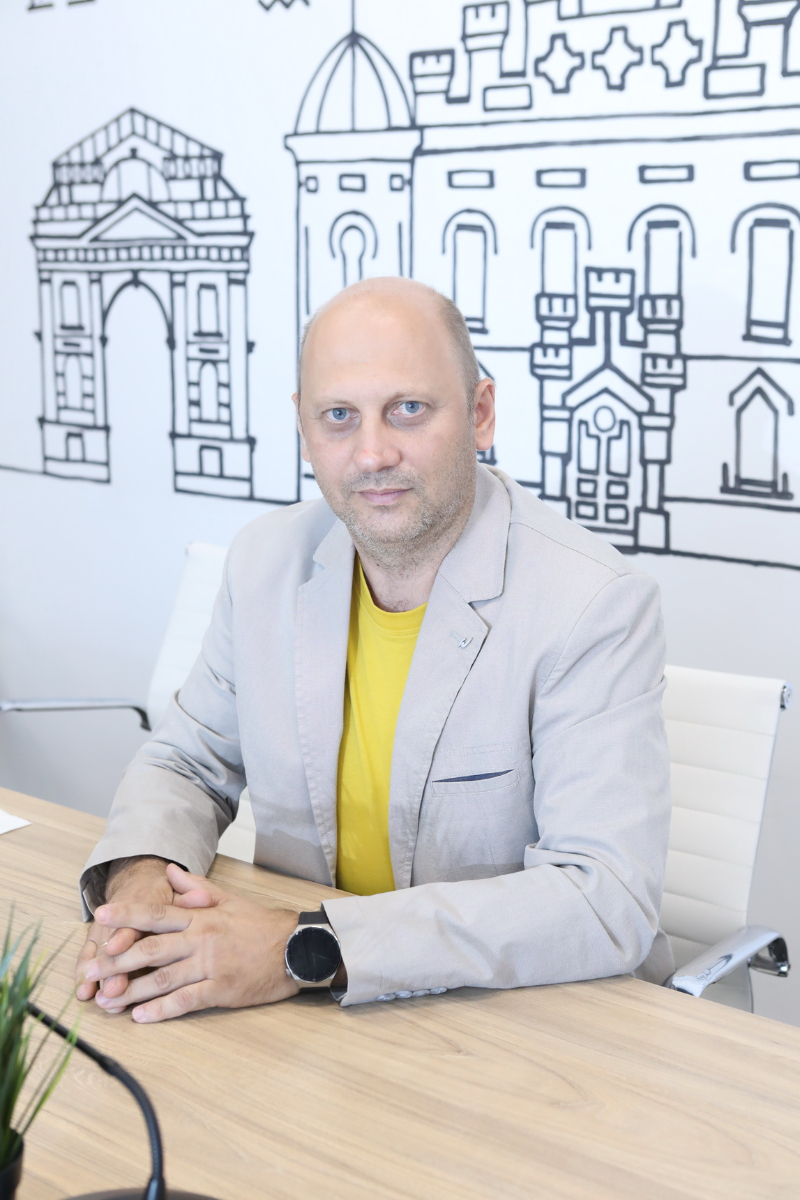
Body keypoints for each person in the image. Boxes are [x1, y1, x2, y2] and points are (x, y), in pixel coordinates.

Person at [75, 277, 672, 1023]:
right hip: (313, 1024)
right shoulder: (264, 562)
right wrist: (139, 891)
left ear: (481, 414)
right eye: (339, 416)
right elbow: (185, 764)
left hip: (524, 1022)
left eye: (409, 409)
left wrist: (302, 947)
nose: (372, 453)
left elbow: (604, 897)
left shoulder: (594, 603)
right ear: (304, 427)